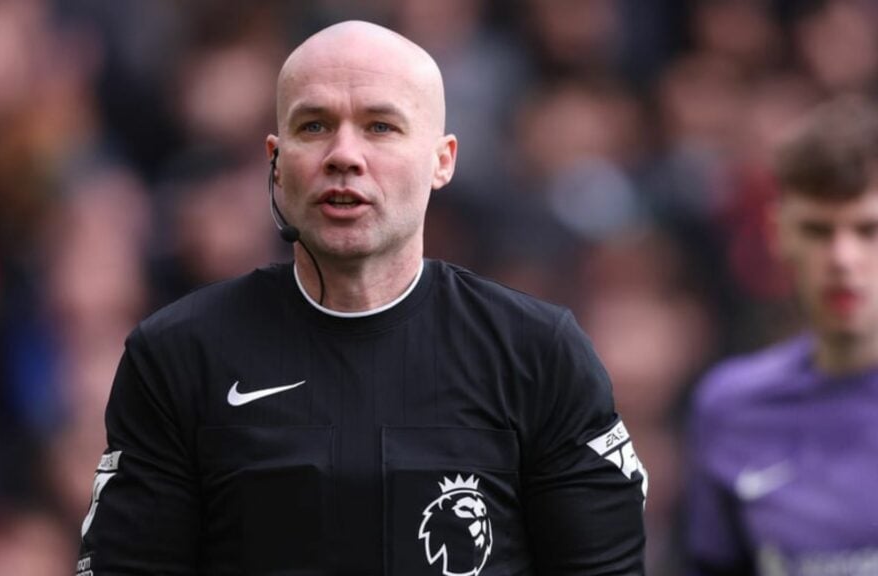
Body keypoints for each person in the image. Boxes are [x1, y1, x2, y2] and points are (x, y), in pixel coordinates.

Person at [77, 20, 646, 575]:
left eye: (380, 126)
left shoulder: (537, 355)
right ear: (276, 163)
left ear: (441, 160)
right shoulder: (177, 355)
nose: (344, 155)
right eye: (314, 126)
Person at [686, 96, 878, 575]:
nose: (842, 259)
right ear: (779, 234)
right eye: (817, 231)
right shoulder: (731, 407)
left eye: (868, 230)